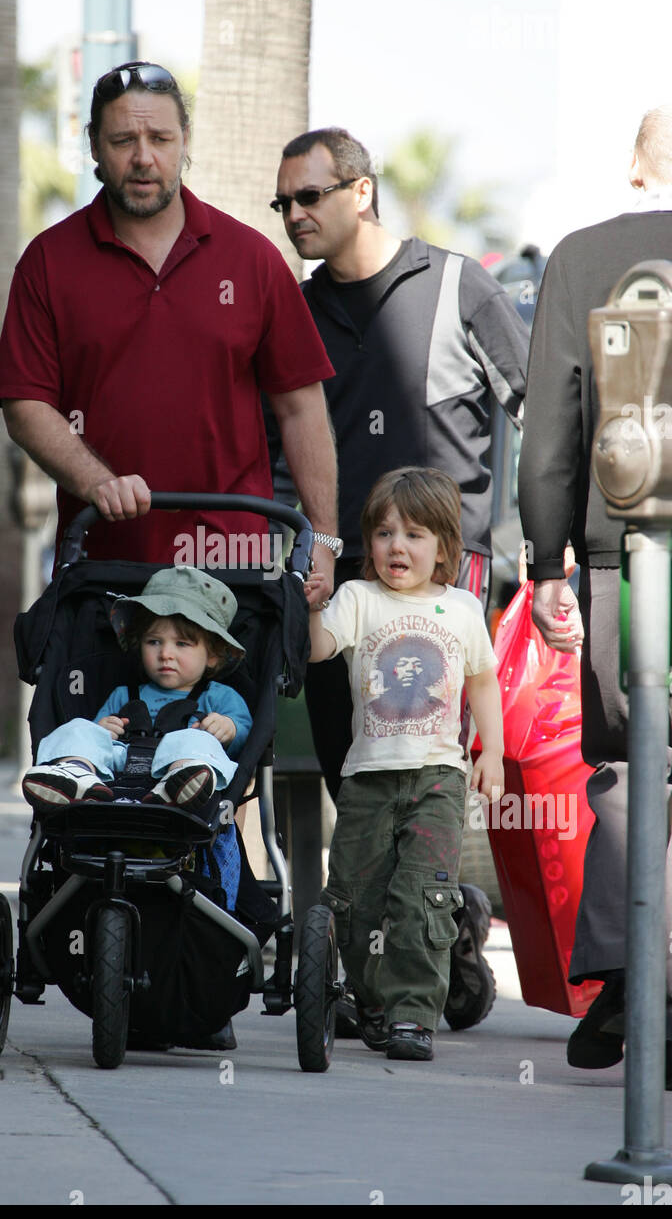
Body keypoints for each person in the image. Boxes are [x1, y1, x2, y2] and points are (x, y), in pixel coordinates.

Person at [270, 126, 529, 1026]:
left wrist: (546, 549)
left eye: (309, 198)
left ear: (363, 192)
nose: (295, 216)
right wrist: (298, 550)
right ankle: (400, 958)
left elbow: (540, 405)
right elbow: (275, 445)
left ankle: (418, 974)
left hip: (446, 608)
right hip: (340, 597)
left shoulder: (458, 286)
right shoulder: (295, 310)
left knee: (424, 794)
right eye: (285, 204)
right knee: (359, 788)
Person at [0, 61, 340, 587]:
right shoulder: (48, 261)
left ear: (185, 142)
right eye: (123, 139)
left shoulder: (254, 260)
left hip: (232, 568)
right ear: (94, 148)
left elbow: (300, 406)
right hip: (102, 565)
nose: (143, 157)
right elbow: (25, 406)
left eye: (160, 137)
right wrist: (99, 482)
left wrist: (325, 538)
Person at [517, 104, 672, 1079]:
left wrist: (545, 563)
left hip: (626, 563)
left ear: (635, 166)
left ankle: (622, 981)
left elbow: (550, 436)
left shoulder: (581, 259)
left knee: (624, 770)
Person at [307, 467, 504, 1061]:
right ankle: (370, 999)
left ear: (444, 546)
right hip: (367, 777)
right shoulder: (357, 599)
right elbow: (318, 649)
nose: (398, 546)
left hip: (437, 777)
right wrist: (310, 603)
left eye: (415, 534)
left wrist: (489, 751)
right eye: (385, 533)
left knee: (424, 896)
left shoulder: (462, 608)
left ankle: (415, 1015)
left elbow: (483, 679)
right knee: (358, 897)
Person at [21, 565, 252, 824]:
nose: (165, 653)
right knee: (78, 729)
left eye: (182, 644)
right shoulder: (124, 694)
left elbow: (247, 738)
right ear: (139, 644)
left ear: (212, 655)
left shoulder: (219, 697)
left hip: (184, 766)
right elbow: (96, 740)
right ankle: (76, 774)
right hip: (121, 766)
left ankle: (177, 785)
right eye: (154, 641)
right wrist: (103, 727)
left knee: (198, 740)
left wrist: (229, 727)